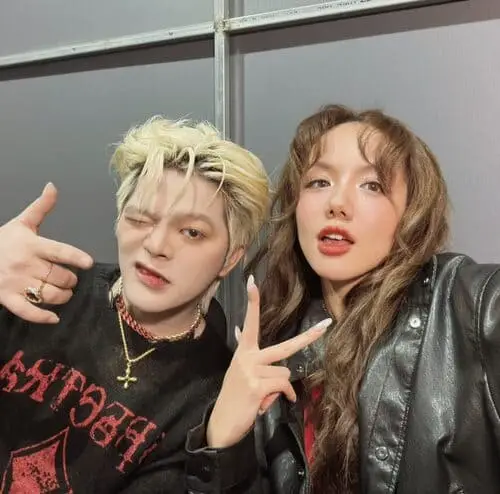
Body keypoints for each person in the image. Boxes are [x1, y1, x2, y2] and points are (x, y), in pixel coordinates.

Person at [189, 104, 500, 494]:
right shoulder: (276, 346)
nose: (336, 202)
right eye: (319, 182)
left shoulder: (472, 305)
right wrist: (222, 442)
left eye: (372, 185)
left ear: (412, 212)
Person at [0, 115, 284, 493]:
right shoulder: (45, 290)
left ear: (230, 258)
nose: (156, 245)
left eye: (192, 232)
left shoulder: (214, 393)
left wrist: (221, 448)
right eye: (140, 219)